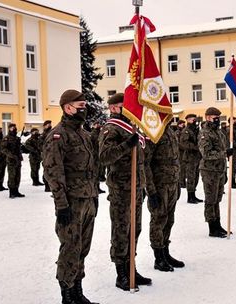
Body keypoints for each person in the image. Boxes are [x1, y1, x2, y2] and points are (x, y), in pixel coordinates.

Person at [42, 89, 99, 304]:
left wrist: (94, 197)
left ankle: (77, 291)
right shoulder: (58, 135)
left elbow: (92, 168)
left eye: (85, 105)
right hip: (71, 201)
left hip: (87, 199)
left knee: (83, 247)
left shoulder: (83, 134)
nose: (84, 109)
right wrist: (61, 205)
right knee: (70, 248)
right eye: (80, 106)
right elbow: (53, 172)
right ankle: (66, 294)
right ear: (68, 108)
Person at [99, 93, 152, 291]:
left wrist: (143, 184)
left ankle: (132, 268)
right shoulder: (110, 128)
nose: (129, 110)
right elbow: (104, 157)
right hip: (121, 188)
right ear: (113, 108)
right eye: (125, 106)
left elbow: (141, 160)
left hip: (136, 186)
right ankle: (121, 273)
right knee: (122, 230)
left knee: (134, 229)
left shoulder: (133, 127)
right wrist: (126, 145)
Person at [144, 125, 185, 272]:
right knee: (158, 220)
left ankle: (166, 252)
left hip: (172, 183)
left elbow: (175, 160)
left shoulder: (170, 132)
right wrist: (151, 191)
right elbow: (145, 164)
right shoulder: (153, 131)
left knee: (169, 220)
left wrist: (178, 183)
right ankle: (158, 257)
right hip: (159, 184)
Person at [198, 107, 232, 238]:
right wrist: (224, 154)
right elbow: (206, 154)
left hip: (219, 169)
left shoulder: (218, 132)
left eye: (218, 117)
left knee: (217, 199)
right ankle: (212, 227)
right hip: (209, 170)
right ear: (207, 117)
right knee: (210, 199)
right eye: (214, 117)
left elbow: (221, 148)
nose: (217, 120)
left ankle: (218, 224)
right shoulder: (204, 133)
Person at [179, 114, 203, 204]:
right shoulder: (186, 131)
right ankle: (190, 196)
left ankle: (194, 195)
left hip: (197, 157)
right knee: (191, 177)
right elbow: (183, 143)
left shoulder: (196, 130)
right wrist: (195, 147)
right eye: (193, 119)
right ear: (188, 120)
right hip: (190, 157)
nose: (195, 121)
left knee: (196, 176)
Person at [1, 123, 25, 198]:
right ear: (9, 129)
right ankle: (11, 192)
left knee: (18, 176)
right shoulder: (6, 138)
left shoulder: (17, 138)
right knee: (12, 176)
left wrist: (20, 156)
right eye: (12, 127)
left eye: (14, 127)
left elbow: (19, 149)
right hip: (11, 160)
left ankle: (16, 191)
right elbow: (3, 149)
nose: (13, 129)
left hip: (18, 160)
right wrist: (11, 155)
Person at [224, 117, 236, 189]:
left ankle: (234, 181)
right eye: (233, 120)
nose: (235, 121)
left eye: (235, 120)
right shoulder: (229, 129)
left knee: (235, 167)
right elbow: (232, 141)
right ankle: (232, 182)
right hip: (232, 150)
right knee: (233, 167)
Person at [41, 120, 52, 192]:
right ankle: (46, 185)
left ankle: (50, 185)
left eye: (50, 124)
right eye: (48, 125)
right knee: (46, 170)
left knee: (52, 170)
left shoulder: (52, 132)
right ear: (44, 126)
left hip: (52, 154)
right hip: (46, 155)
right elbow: (40, 145)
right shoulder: (43, 135)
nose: (49, 126)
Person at [175, 120, 186, 189]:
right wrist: (184, 147)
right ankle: (181, 182)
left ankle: (183, 181)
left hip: (185, 152)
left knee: (184, 168)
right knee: (181, 168)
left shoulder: (184, 132)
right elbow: (177, 143)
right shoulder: (177, 133)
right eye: (182, 124)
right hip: (180, 152)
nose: (183, 125)